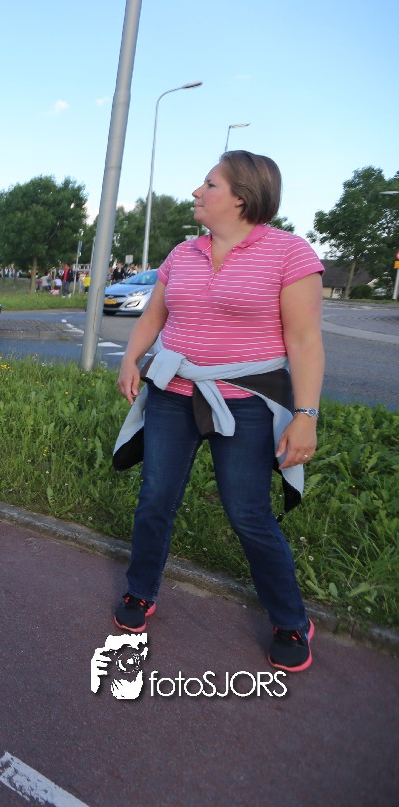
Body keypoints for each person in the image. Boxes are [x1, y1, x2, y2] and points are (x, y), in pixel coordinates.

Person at [111, 151, 323, 672]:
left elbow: (304, 340)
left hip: (246, 402)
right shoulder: (183, 253)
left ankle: (291, 620)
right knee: (155, 497)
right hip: (172, 393)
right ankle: (141, 591)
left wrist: (306, 415)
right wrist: (132, 359)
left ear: (242, 197)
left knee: (247, 512)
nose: (196, 192)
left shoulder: (289, 253)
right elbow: (153, 317)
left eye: (209, 184)